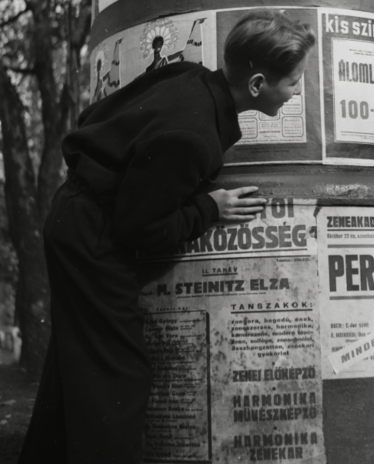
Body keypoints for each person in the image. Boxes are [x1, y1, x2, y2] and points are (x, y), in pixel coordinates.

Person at [18, 9, 315, 464]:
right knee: (117, 377)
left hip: (73, 215)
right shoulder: (192, 135)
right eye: (294, 82)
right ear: (257, 86)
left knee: (76, 367)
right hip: (91, 235)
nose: (299, 91)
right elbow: (140, 228)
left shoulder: (189, 78)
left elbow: (100, 115)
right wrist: (209, 207)